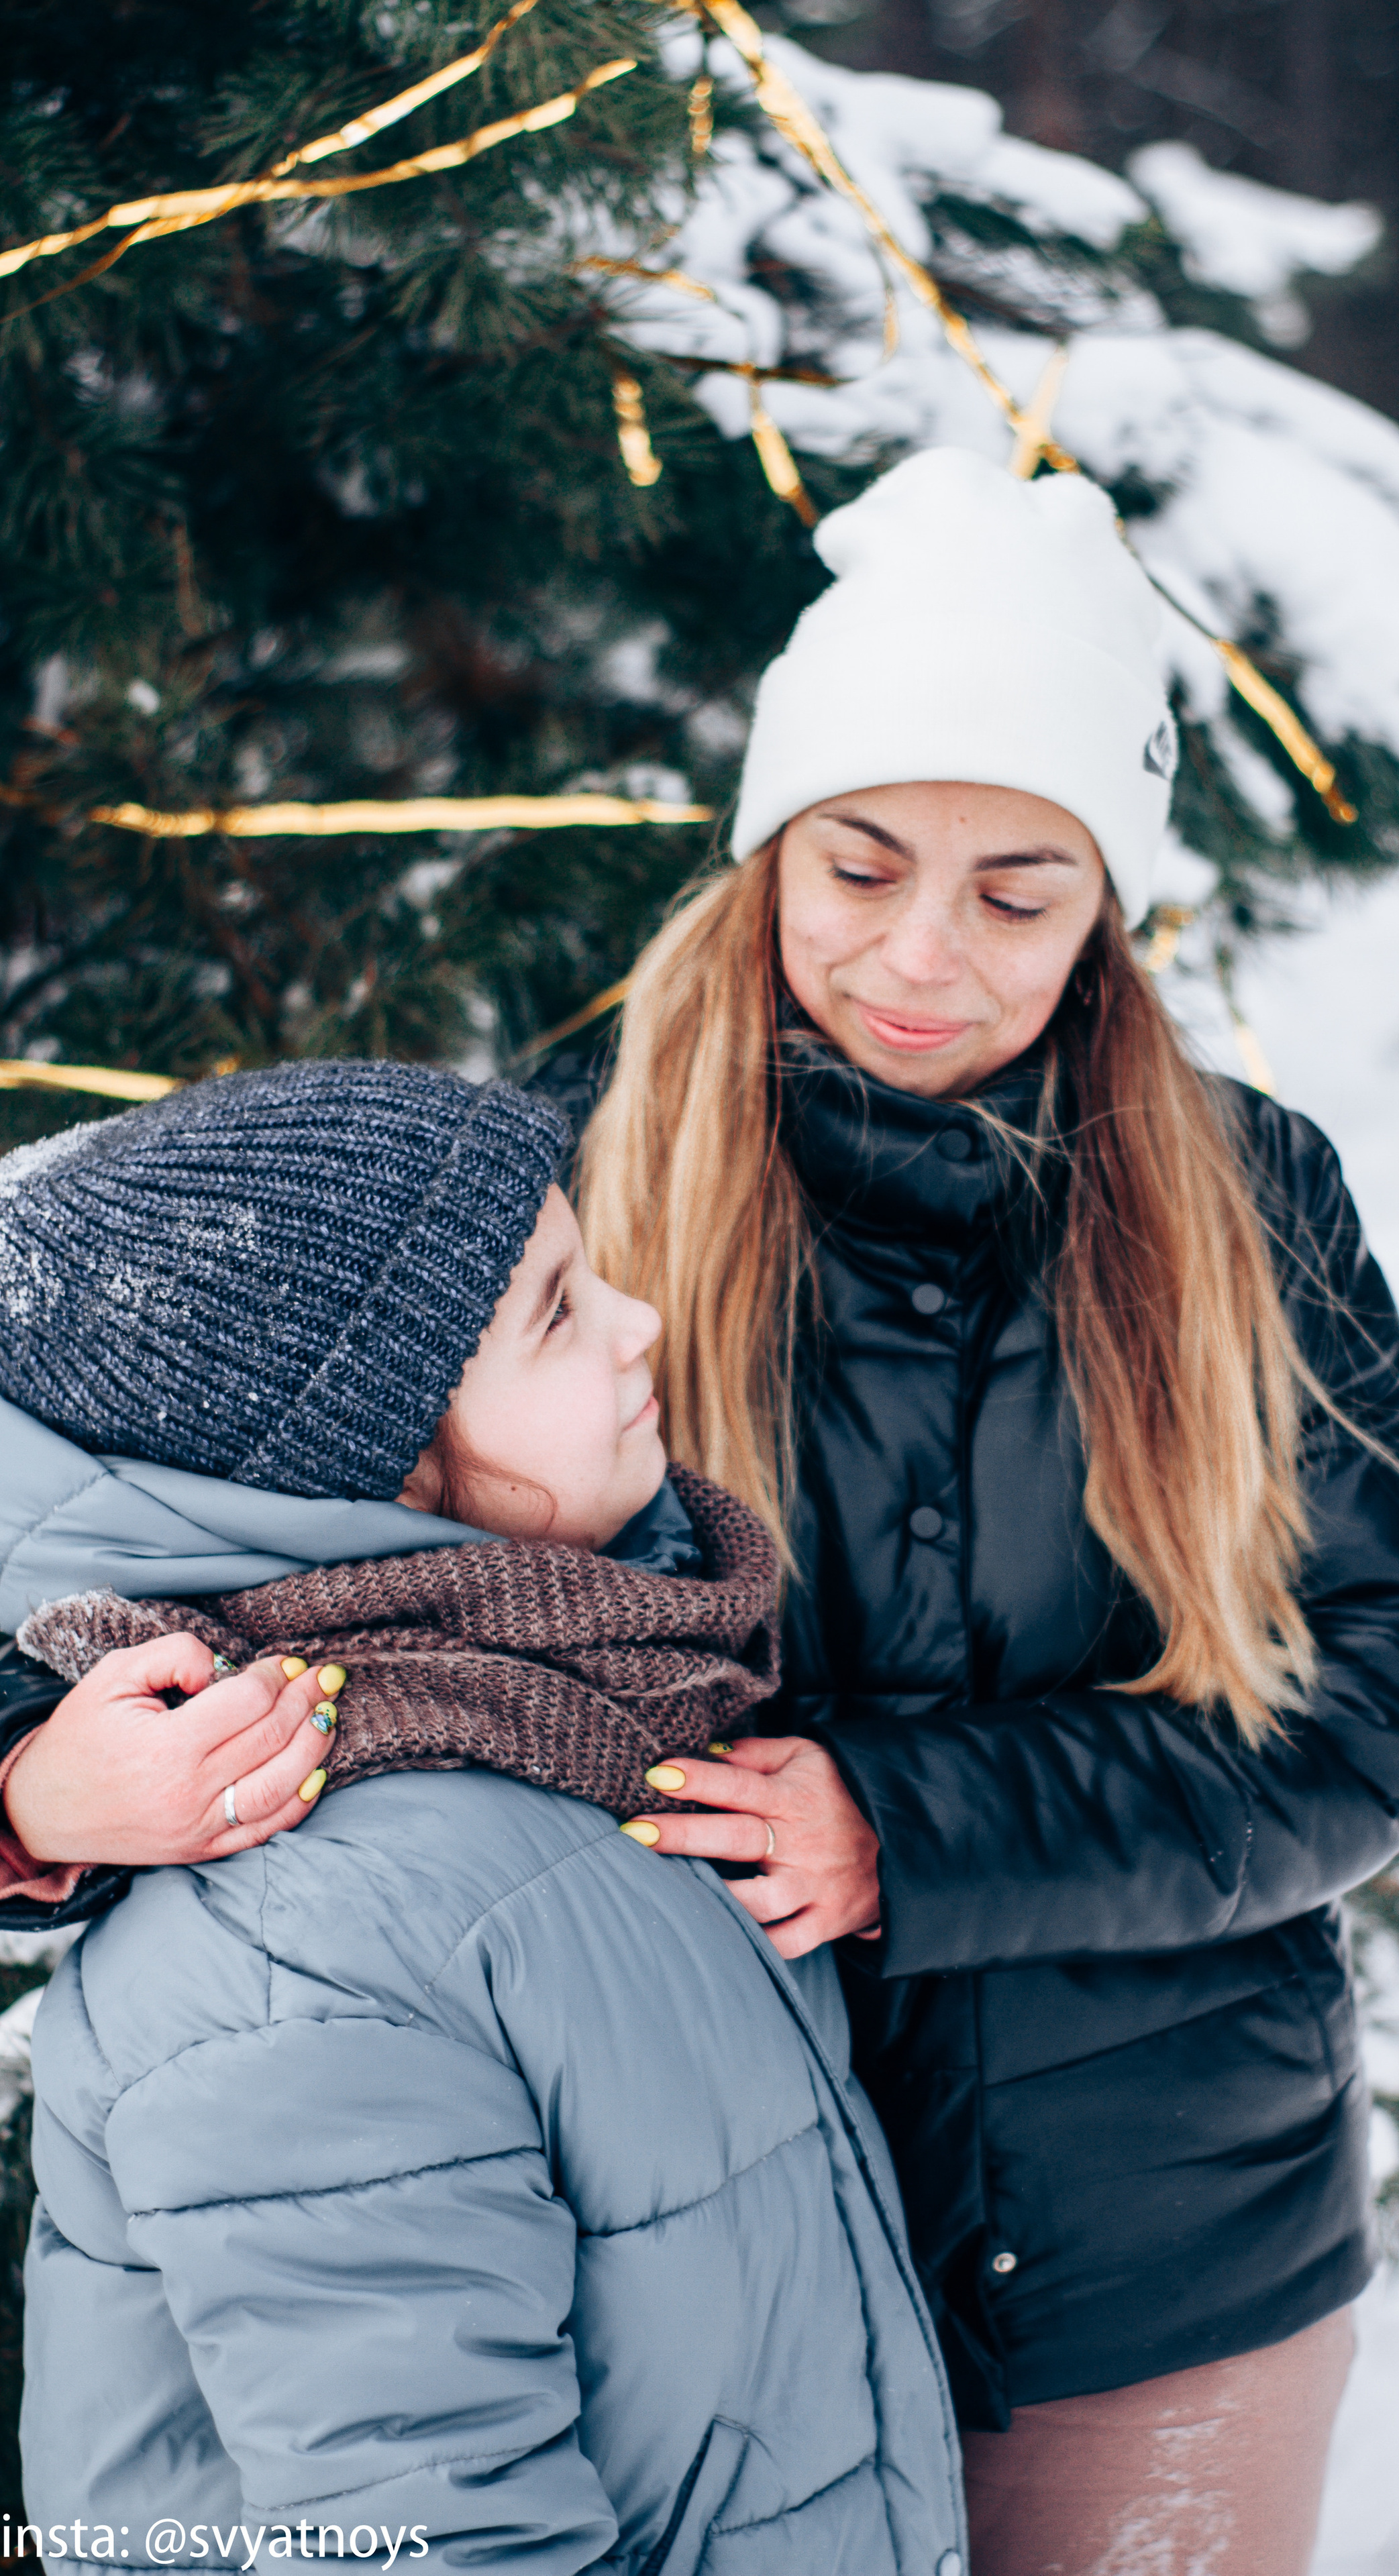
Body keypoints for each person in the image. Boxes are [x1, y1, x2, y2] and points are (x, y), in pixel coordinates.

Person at [550, 449, 1399, 2576]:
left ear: (1109, 910)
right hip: (697, 2241)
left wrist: (917, 1829)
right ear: (770, 844)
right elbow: (251, 1570)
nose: (922, 959)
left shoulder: (1252, 1202)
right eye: (861, 866)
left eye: (1017, 891)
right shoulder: (561, 1199)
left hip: (1164, 2261)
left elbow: (1380, 1685)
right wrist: (45, 1769)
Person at [0, 1061, 964, 2573]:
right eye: (561, 1312)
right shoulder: (306, 1944)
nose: (642, 1322)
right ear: (376, 1473)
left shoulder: (590, 1697)